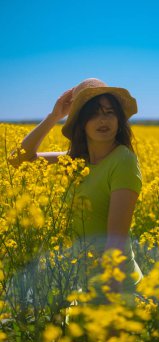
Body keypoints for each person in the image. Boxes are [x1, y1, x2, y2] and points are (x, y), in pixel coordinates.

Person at [9, 78, 143, 303]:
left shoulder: (123, 161)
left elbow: (115, 240)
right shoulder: (75, 162)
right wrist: (54, 116)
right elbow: (18, 159)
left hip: (116, 286)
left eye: (110, 112)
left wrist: (110, 307)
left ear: (119, 120)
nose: (103, 119)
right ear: (81, 123)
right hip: (86, 285)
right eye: (93, 113)